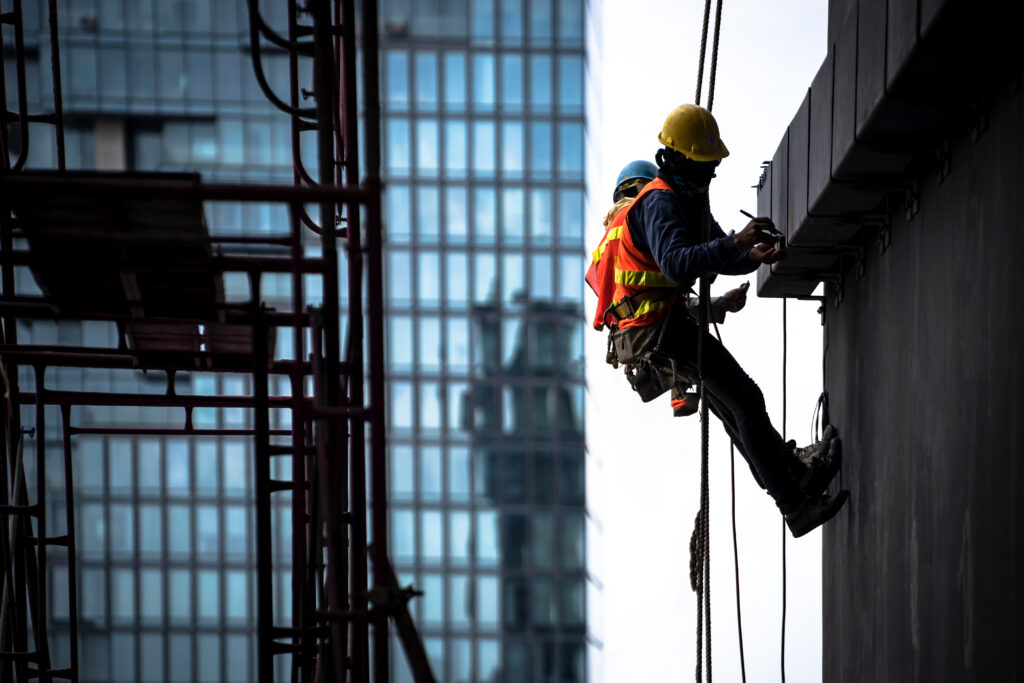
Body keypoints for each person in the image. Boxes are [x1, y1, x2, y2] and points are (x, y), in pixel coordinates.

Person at [587, 104, 847, 537]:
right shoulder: (659, 202)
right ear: (679, 159)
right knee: (744, 399)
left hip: (654, 327)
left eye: (712, 169)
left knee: (733, 407)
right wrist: (735, 242)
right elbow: (676, 264)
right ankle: (794, 504)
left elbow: (713, 258)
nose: (709, 177)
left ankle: (797, 481)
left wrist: (752, 256)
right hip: (655, 330)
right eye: (703, 167)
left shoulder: (688, 198)